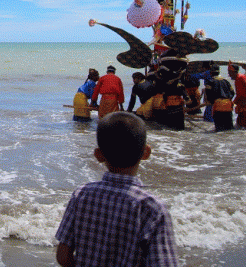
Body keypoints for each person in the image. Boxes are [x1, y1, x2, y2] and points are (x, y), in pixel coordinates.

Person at [55, 111, 179, 267]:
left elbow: (63, 256)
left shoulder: (82, 194)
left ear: (99, 155)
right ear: (146, 153)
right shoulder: (151, 207)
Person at [198, 65, 235, 132]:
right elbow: (232, 93)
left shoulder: (210, 82)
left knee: (219, 129)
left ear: (211, 73)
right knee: (229, 128)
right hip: (228, 105)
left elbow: (209, 95)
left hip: (218, 106)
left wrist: (211, 102)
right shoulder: (226, 81)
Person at [228, 63, 246, 130]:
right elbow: (239, 94)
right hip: (243, 103)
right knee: (240, 123)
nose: (229, 75)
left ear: (233, 72)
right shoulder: (237, 79)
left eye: (229, 72)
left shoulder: (241, 77)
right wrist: (233, 103)